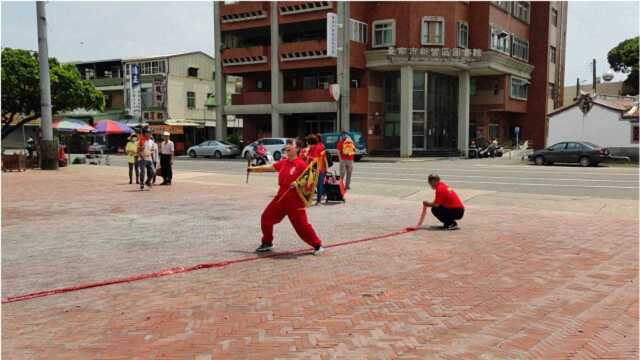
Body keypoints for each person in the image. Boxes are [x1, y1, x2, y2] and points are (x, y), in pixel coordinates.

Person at [248, 140, 324, 255]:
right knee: (266, 218)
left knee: (302, 226)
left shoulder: (301, 164)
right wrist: (253, 169)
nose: (287, 146)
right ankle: (267, 242)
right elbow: (270, 167)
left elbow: (310, 182)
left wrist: (298, 183)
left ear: (297, 149)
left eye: (291, 145)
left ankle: (317, 245)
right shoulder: (284, 162)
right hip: (281, 197)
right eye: (287, 145)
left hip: (295, 201)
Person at [307, 134, 328, 205]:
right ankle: (322, 195)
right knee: (315, 185)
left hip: (320, 169)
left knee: (319, 185)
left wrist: (326, 168)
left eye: (308, 143)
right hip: (313, 169)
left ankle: (319, 201)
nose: (307, 144)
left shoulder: (319, 148)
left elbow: (318, 159)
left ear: (311, 143)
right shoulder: (311, 148)